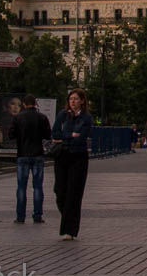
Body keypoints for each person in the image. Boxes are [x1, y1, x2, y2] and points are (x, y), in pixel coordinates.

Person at [52, 88, 93, 240]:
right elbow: (55, 133)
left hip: (78, 157)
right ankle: (69, 218)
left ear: (82, 101)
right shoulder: (63, 115)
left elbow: (81, 137)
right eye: (71, 99)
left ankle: (69, 230)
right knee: (59, 191)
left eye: (76, 99)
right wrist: (69, 135)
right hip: (62, 155)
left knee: (74, 194)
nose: (73, 102)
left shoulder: (86, 117)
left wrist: (66, 137)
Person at [8, 94, 52, 224]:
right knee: (38, 187)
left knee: (21, 187)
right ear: (35, 104)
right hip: (38, 155)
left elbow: (11, 135)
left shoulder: (18, 118)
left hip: (22, 155)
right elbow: (47, 135)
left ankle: (20, 216)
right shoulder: (42, 118)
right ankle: (37, 215)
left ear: (24, 104)